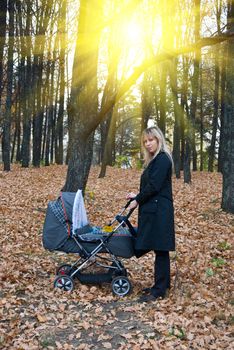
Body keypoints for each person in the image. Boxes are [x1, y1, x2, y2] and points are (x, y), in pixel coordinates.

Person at [127, 126, 175, 302]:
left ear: (158, 139)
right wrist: (136, 195)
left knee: (161, 248)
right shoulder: (155, 160)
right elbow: (152, 185)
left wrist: (137, 200)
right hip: (155, 208)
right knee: (159, 248)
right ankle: (162, 285)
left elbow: (154, 186)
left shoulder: (163, 159)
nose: (148, 144)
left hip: (160, 210)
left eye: (151, 140)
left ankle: (159, 291)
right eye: (145, 141)